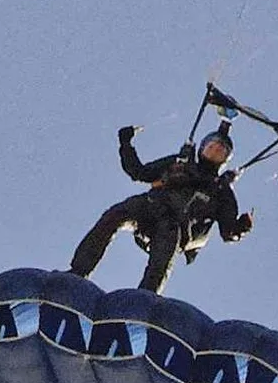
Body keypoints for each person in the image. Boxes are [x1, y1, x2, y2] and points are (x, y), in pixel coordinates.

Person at [71, 123, 256, 296]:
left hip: (174, 227)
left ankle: (146, 297)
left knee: (165, 248)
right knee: (115, 214)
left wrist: (243, 226)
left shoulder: (222, 192)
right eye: (212, 146)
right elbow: (139, 172)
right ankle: (78, 272)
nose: (215, 151)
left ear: (225, 160)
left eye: (221, 151)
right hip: (150, 207)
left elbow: (228, 232)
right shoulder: (179, 163)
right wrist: (125, 144)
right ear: (202, 148)